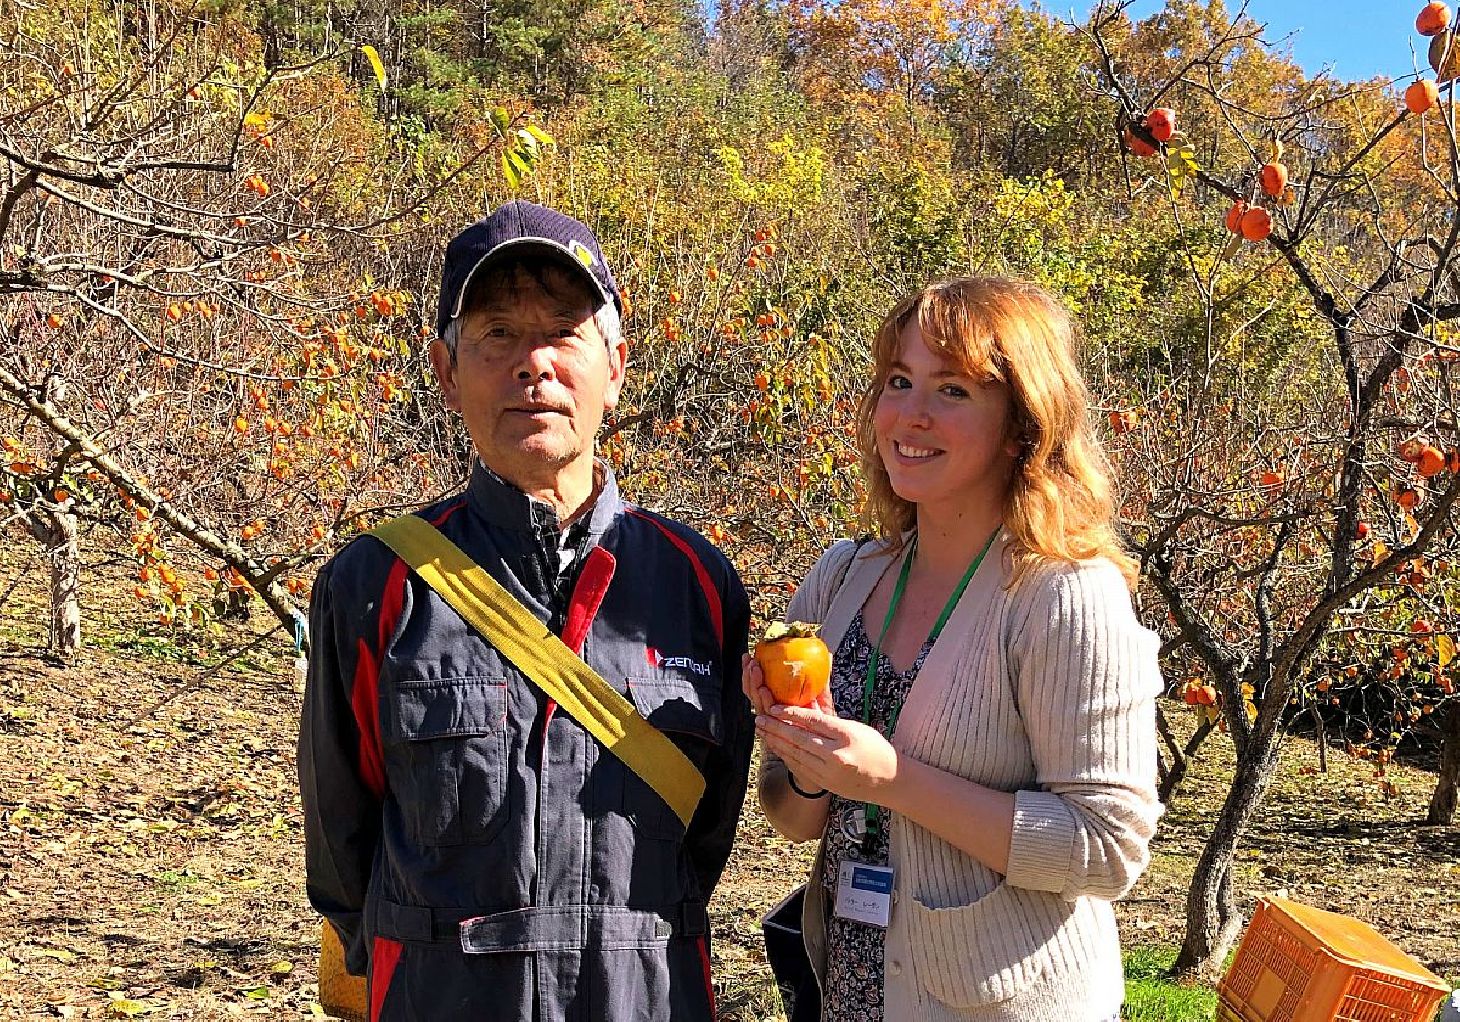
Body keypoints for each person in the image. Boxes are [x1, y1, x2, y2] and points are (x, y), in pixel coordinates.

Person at [299, 200, 754, 1021]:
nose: (532, 363)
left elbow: (707, 834)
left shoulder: (698, 584)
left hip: (646, 998)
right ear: (445, 371)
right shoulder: (374, 584)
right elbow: (341, 847)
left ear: (616, 367)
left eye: (563, 332)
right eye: (497, 334)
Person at [745, 276, 1163, 1021]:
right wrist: (806, 757)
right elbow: (796, 816)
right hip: (854, 993)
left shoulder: (1063, 597)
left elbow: (1107, 849)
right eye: (899, 381)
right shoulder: (844, 578)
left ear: (1021, 426)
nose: (910, 413)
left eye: (953, 391)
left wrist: (889, 778)